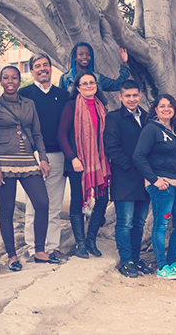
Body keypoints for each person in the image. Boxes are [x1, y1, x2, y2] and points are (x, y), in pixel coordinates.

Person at [0, 66, 57, 271]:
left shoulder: (29, 104)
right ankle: (12, 255)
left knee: (42, 203)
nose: (10, 81)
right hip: (4, 162)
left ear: (19, 80)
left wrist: (43, 159)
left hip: (27, 160)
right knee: (7, 210)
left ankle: (39, 250)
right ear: (1, 81)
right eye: (6, 78)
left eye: (14, 77)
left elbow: (37, 134)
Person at [133, 94, 176, 280]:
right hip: (162, 186)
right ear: (155, 110)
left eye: (170, 106)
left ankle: (171, 263)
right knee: (161, 224)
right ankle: (161, 267)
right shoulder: (151, 129)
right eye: (162, 106)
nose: (167, 109)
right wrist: (154, 179)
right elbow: (139, 156)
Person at [19, 53, 70, 263]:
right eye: (37, 66)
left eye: (45, 65)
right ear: (31, 71)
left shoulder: (63, 95)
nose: (42, 69)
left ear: (50, 68)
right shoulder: (24, 94)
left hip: (58, 155)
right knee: (34, 205)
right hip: (33, 156)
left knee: (55, 205)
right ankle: (34, 248)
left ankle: (52, 247)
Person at [57, 71, 112, 258]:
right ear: (78, 88)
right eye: (85, 83)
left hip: (100, 163)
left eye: (92, 82)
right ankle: (80, 244)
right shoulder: (71, 107)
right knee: (78, 202)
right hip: (78, 163)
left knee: (103, 200)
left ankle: (91, 240)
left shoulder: (101, 107)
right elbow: (62, 135)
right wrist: (73, 158)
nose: (89, 86)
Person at [103, 80, 153, 278]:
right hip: (124, 177)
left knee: (140, 222)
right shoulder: (114, 118)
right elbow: (111, 148)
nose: (132, 99)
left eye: (135, 95)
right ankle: (126, 261)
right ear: (120, 97)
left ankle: (135, 258)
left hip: (145, 180)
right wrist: (134, 166)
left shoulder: (148, 118)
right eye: (127, 96)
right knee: (125, 221)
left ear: (140, 95)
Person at [58, 41, 130, 96]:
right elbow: (61, 99)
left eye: (88, 54)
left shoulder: (97, 77)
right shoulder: (66, 78)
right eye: (81, 54)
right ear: (75, 57)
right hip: (73, 115)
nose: (85, 57)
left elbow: (117, 85)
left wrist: (124, 62)